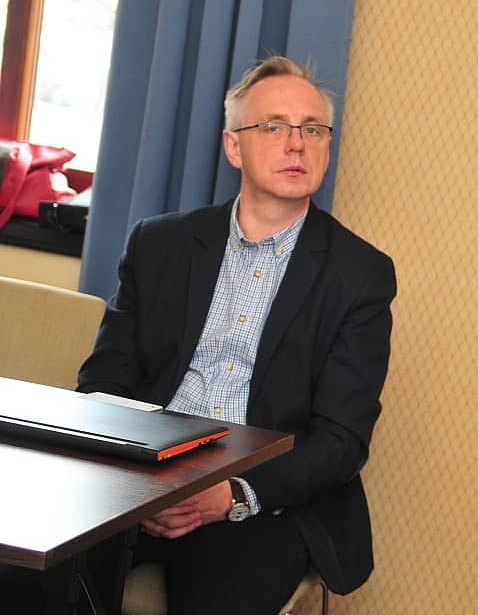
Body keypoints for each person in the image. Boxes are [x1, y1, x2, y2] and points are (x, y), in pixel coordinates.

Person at [75, 55, 396, 614]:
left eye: (312, 129)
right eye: (273, 126)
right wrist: (141, 481)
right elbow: (103, 384)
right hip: (143, 477)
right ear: (234, 146)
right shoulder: (159, 245)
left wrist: (228, 496)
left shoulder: (359, 273)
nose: (296, 144)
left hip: (262, 496)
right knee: (37, 570)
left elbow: (341, 439)